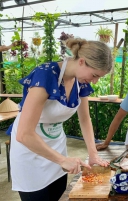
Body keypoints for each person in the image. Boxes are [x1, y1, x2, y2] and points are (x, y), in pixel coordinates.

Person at [8, 38, 112, 201]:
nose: (95, 81)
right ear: (82, 62)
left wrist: (93, 154)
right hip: (31, 154)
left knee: (59, 195)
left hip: (56, 149)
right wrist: (62, 160)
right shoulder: (46, 74)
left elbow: (84, 119)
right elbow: (24, 133)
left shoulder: (80, 82)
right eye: (94, 75)